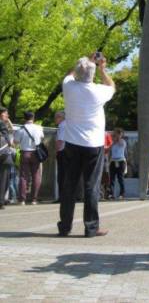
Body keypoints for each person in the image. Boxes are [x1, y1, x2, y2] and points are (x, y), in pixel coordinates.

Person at [57, 54, 115, 237]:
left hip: (72, 143)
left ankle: (65, 226)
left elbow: (69, 74)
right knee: (91, 185)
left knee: (69, 185)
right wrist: (102, 68)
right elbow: (112, 86)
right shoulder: (98, 91)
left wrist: (84, 62)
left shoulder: (69, 86)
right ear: (92, 74)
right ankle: (91, 227)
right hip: (93, 144)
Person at [14, 111, 44, 205]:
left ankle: (22, 199)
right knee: (36, 175)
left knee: (23, 176)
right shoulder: (39, 128)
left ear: (24, 118)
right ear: (33, 118)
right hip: (36, 153)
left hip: (25, 153)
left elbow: (16, 142)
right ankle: (34, 199)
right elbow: (42, 137)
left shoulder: (20, 129)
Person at [0, 107, 15, 210]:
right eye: (6, 114)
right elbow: (9, 139)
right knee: (4, 177)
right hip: (3, 154)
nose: (8, 116)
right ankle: (1, 201)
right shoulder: (2, 124)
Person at [109, 128, 127, 200]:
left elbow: (119, 143)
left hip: (120, 161)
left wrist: (117, 137)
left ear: (120, 134)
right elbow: (109, 150)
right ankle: (111, 193)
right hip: (113, 161)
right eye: (114, 134)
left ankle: (122, 193)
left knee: (120, 178)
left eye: (115, 134)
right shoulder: (113, 142)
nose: (114, 135)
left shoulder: (122, 141)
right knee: (112, 178)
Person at [54, 111, 66, 203]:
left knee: (62, 175)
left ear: (60, 117)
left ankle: (62, 196)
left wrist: (56, 151)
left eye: (56, 117)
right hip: (69, 152)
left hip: (62, 152)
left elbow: (60, 140)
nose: (55, 120)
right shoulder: (69, 125)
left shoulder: (62, 126)